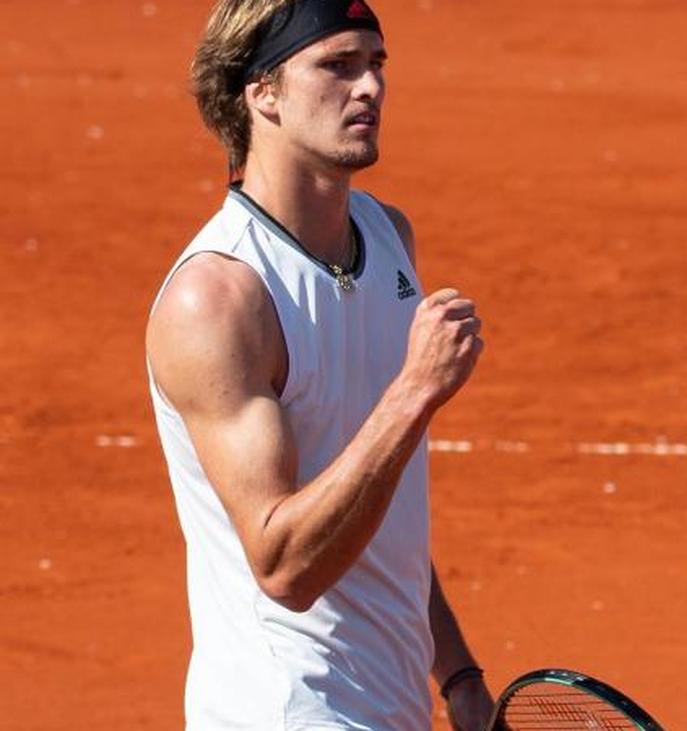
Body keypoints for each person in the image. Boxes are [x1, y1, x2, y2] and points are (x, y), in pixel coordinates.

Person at [145, 1, 493, 728]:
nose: (369, 87)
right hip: (286, 709)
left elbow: (375, 499)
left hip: (390, 703)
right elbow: (285, 565)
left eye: (376, 64)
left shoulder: (386, 235)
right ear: (261, 92)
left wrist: (457, 672)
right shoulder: (218, 299)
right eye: (337, 65)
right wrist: (415, 391)